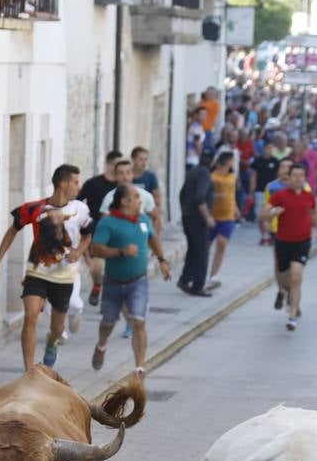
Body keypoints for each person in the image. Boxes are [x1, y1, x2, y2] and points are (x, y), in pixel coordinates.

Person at [0, 164, 93, 370]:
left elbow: (88, 234)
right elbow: (13, 230)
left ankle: (52, 343)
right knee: (31, 316)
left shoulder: (80, 210)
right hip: (37, 272)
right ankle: (29, 371)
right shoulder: (35, 209)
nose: (78, 187)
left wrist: (79, 251)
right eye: (75, 182)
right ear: (63, 184)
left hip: (64, 277)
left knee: (57, 328)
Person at [88, 184, 172, 376]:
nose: (140, 200)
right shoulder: (108, 223)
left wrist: (162, 260)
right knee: (108, 321)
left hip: (138, 281)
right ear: (125, 201)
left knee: (139, 322)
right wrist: (120, 251)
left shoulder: (142, 219)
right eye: (136, 197)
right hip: (114, 282)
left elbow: (153, 238)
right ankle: (101, 345)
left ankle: (139, 368)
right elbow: (96, 249)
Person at [260, 161, 317, 331]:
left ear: (304, 178)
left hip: (302, 241)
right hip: (283, 241)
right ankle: (283, 291)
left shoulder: (309, 196)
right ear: (289, 177)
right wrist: (273, 213)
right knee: (283, 276)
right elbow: (264, 213)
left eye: (301, 176)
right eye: (294, 175)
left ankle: (292, 315)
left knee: (296, 276)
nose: (297, 179)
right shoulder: (280, 195)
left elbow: (315, 212)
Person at [79, 151, 122, 307]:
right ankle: (97, 286)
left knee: (114, 269)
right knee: (97, 268)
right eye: (116, 165)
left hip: (119, 233)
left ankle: (110, 301)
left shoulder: (123, 188)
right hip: (97, 232)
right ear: (109, 165)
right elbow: (78, 201)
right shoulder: (93, 183)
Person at [178, 155, 216, 296]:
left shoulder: (192, 172)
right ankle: (198, 285)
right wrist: (207, 217)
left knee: (193, 250)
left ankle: (185, 279)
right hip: (198, 218)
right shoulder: (205, 173)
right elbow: (200, 197)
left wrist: (184, 211)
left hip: (188, 216)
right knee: (201, 252)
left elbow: (181, 194)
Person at [207, 152, 239, 283]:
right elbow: (206, 197)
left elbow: (232, 194)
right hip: (212, 217)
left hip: (227, 217)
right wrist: (218, 196)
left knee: (222, 243)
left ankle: (213, 275)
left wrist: (235, 207)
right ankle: (199, 272)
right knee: (205, 246)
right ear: (229, 162)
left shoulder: (232, 177)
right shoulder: (212, 177)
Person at [130, 146, 164, 233]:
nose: (144, 162)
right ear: (133, 159)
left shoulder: (150, 176)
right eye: (141, 159)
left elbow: (157, 197)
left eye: (146, 159)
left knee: (144, 237)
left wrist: (157, 215)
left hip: (145, 217)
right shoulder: (127, 175)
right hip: (128, 216)